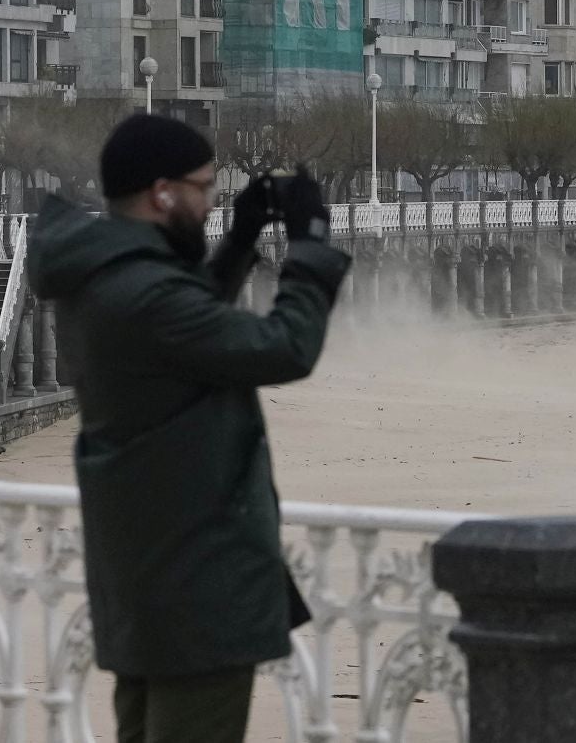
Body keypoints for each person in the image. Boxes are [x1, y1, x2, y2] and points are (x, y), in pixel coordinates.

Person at [28, 114, 350, 743]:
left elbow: (186, 327)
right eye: (204, 187)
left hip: (146, 574)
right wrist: (310, 249)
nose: (211, 200)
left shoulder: (104, 276)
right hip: (195, 588)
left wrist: (239, 240)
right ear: (163, 193)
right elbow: (283, 348)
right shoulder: (145, 294)